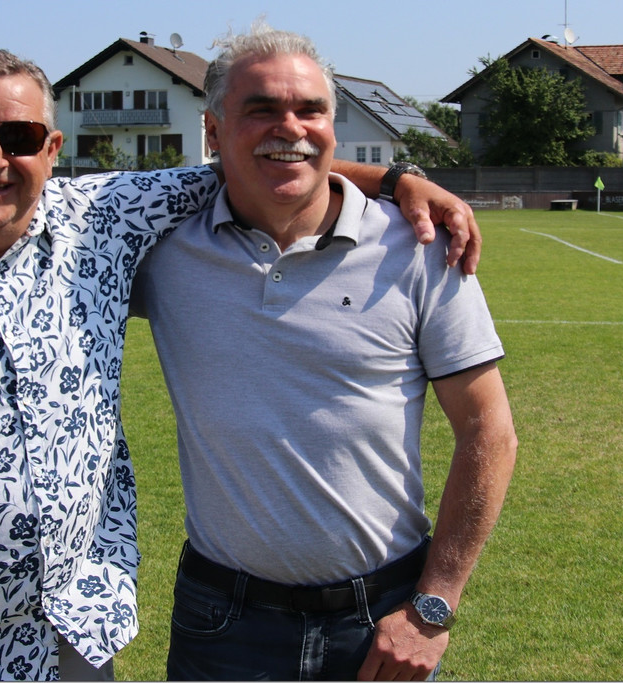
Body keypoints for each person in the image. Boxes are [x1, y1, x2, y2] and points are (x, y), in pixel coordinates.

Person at [0, 42, 490, 683]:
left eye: (21, 137)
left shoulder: (100, 222)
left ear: (53, 148)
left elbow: (273, 158)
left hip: (71, 643)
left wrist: (399, 178)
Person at [126, 23, 517, 680]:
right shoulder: (164, 248)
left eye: (311, 110)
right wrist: (393, 175)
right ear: (213, 131)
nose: (291, 127)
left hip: (384, 617)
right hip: (222, 622)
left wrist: (434, 606)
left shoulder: (420, 245)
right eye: (261, 109)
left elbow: (489, 431)